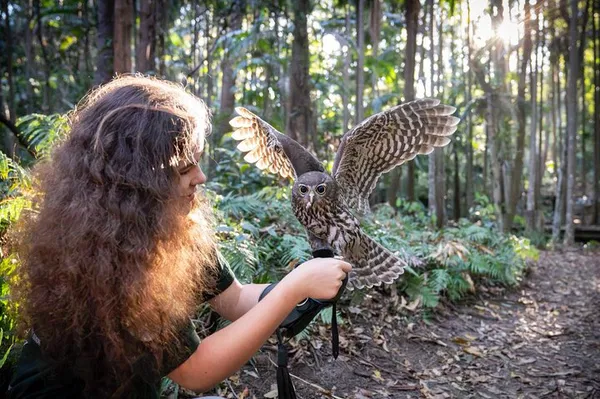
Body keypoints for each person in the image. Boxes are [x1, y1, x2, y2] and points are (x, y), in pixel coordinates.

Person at [7, 75, 351, 398]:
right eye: (185, 167)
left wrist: (306, 288)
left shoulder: (175, 225)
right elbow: (196, 372)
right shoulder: (104, 255)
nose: (200, 177)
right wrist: (295, 287)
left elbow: (236, 300)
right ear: (138, 178)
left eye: (198, 161)